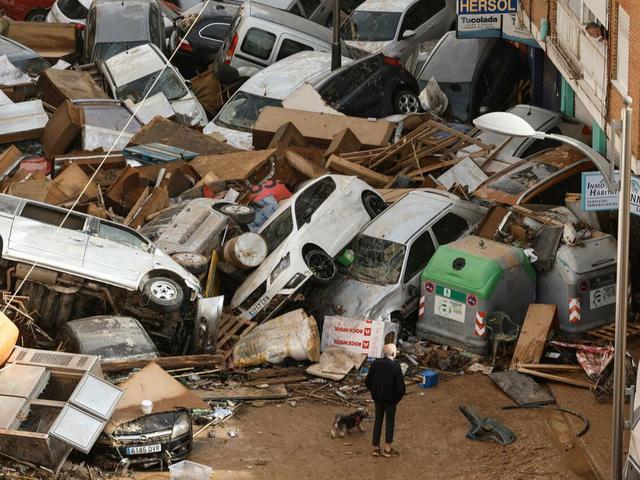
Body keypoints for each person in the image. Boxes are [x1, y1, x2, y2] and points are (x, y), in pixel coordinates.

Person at [365, 343, 405, 458]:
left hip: (378, 399)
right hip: (390, 400)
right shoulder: (395, 366)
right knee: (390, 422)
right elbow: (400, 387)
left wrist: (374, 392)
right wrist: (397, 399)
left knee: (378, 421)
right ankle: (387, 448)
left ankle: (376, 448)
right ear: (393, 353)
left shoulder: (375, 364)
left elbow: (368, 382)